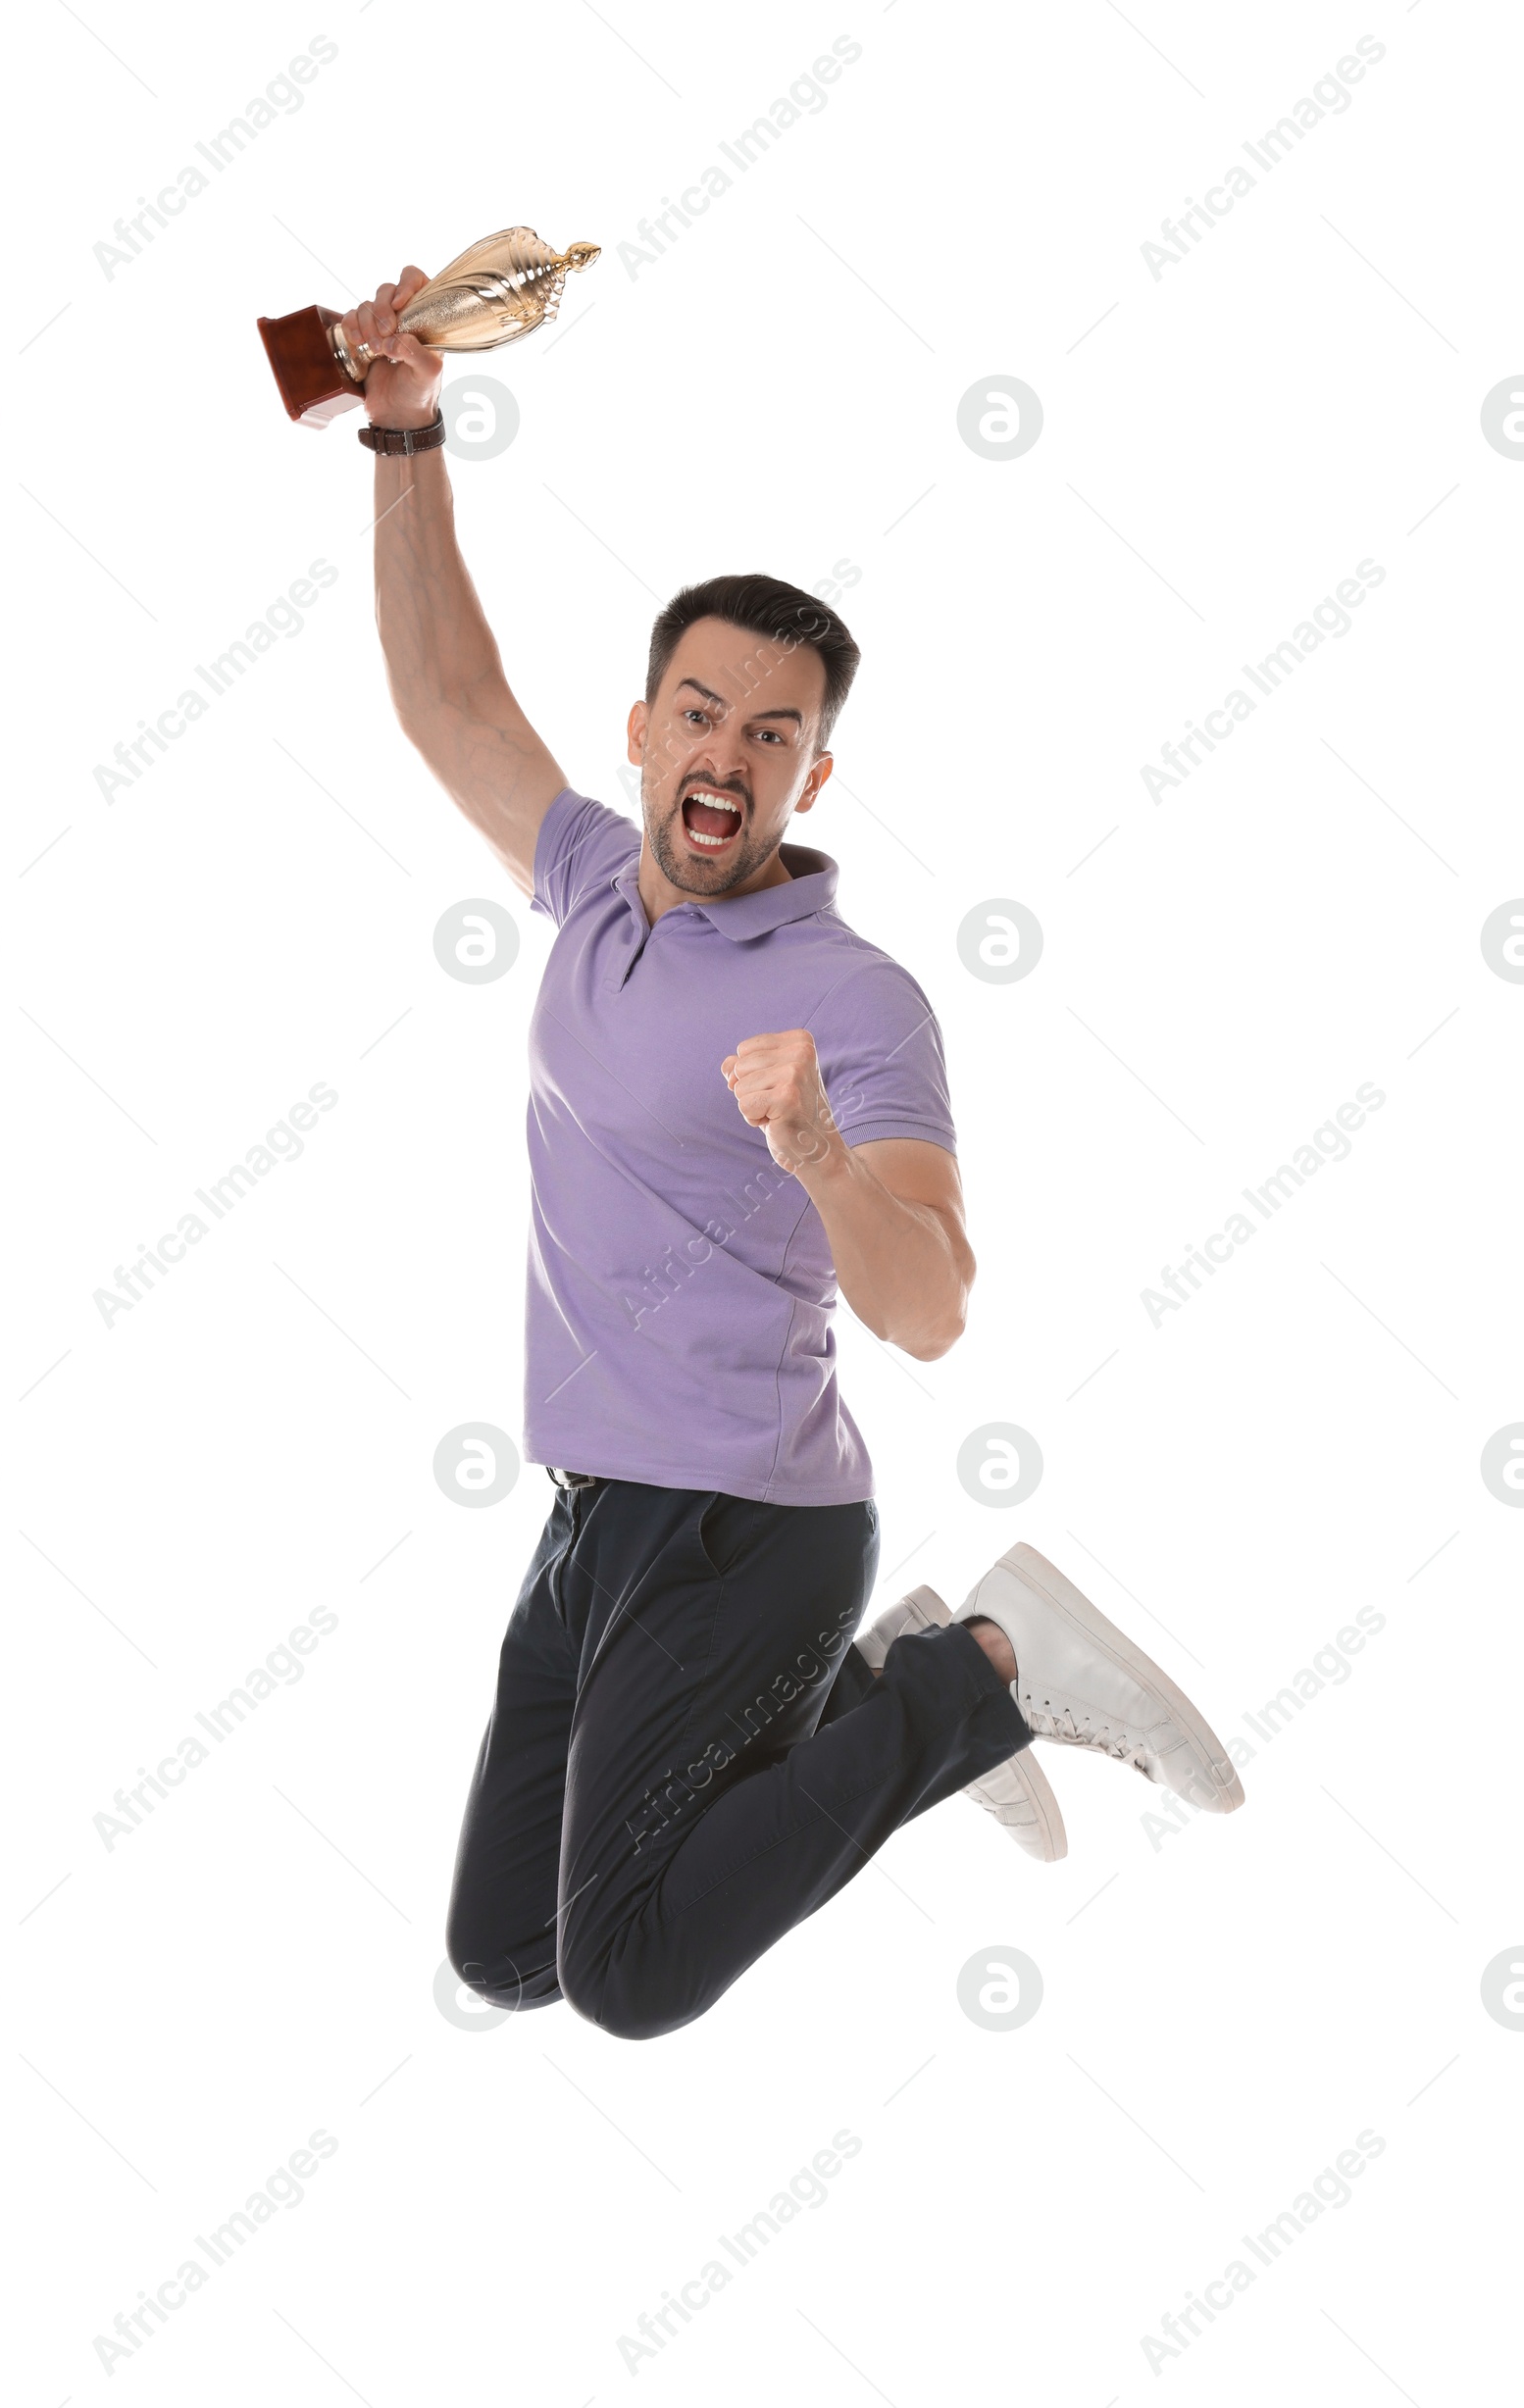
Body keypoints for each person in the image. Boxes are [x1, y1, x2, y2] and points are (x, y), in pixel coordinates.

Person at [344, 267, 1245, 2042]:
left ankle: (978, 1674)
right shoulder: (595, 877)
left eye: (773, 733)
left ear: (813, 779)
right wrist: (401, 427)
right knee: (505, 1954)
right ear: (642, 727)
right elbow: (448, 696)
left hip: (752, 1532)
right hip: (594, 1517)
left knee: (629, 1975)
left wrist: (823, 1150)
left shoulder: (862, 1002)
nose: (725, 756)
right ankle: (879, 1701)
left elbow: (930, 1313)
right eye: (698, 711)